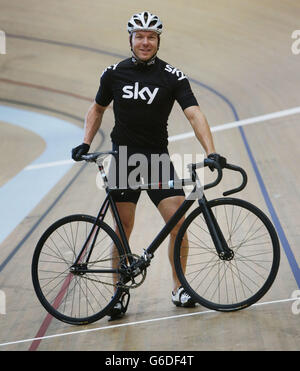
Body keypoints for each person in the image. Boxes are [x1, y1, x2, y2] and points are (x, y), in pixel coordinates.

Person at [72, 11, 226, 320]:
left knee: (178, 223)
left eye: (151, 37)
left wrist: (211, 151)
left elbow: (194, 112)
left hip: (156, 159)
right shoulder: (113, 73)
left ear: (158, 41)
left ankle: (179, 288)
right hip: (125, 159)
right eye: (139, 36)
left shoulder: (172, 76)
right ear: (130, 40)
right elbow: (97, 108)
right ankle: (118, 293)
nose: (145, 42)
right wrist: (86, 143)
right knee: (122, 228)